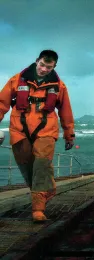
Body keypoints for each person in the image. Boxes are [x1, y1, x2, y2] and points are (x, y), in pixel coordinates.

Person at [0, 50, 75, 222]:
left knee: (42, 163)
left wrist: (69, 135)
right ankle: (45, 190)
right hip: (19, 129)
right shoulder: (16, 79)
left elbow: (65, 111)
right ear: (36, 61)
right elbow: (2, 103)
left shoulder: (59, 86)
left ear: (54, 67)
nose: (43, 69)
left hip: (46, 129)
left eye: (48, 67)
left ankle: (38, 209)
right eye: (41, 65)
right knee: (26, 165)